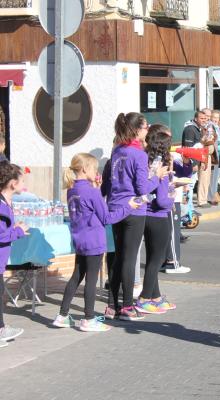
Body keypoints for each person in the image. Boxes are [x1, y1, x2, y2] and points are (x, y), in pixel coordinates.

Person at [53, 154, 137, 332]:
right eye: (93, 168)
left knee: (76, 277)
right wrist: (129, 206)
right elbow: (107, 217)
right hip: (94, 241)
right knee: (90, 281)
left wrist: (97, 189)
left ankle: (62, 315)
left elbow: (89, 209)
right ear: (84, 169)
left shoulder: (72, 189)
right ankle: (88, 318)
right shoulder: (91, 192)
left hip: (80, 239)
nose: (96, 171)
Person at [102, 112, 168, 321]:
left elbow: (110, 182)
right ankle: (128, 307)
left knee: (118, 256)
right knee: (129, 259)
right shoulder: (138, 154)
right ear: (137, 129)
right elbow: (142, 188)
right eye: (145, 126)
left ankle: (112, 305)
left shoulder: (117, 151)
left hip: (115, 206)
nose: (147, 130)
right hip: (133, 208)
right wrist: (157, 177)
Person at [135, 124, 177, 314]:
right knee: (157, 260)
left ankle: (156, 296)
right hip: (159, 216)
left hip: (147, 216)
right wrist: (172, 194)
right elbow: (162, 199)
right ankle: (144, 298)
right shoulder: (162, 167)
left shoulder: (148, 163)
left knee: (153, 257)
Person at [0, 162, 28, 346]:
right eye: (21, 180)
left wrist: (15, 228)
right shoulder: (1, 206)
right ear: (12, 183)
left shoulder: (6, 202)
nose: (23, 183)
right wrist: (18, 231)